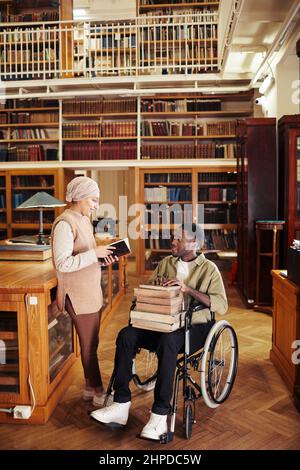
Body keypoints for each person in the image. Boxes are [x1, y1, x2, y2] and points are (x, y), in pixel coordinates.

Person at [90, 223, 228, 440]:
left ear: (195, 243)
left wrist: (187, 289)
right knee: (126, 335)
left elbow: (221, 305)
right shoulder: (165, 263)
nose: (172, 241)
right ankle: (121, 404)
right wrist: (158, 287)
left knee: (168, 342)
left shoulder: (209, 269)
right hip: (163, 322)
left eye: (178, 238)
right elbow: (145, 293)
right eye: (173, 237)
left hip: (194, 328)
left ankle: (160, 415)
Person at [51, 176, 117, 407]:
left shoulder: (83, 220)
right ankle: (99, 392)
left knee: (92, 343)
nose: (96, 205)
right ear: (79, 197)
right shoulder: (64, 224)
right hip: (77, 295)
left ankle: (90, 388)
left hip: (89, 292)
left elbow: (85, 256)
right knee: (89, 346)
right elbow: (62, 263)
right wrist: (94, 254)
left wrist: (100, 259)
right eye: (93, 200)